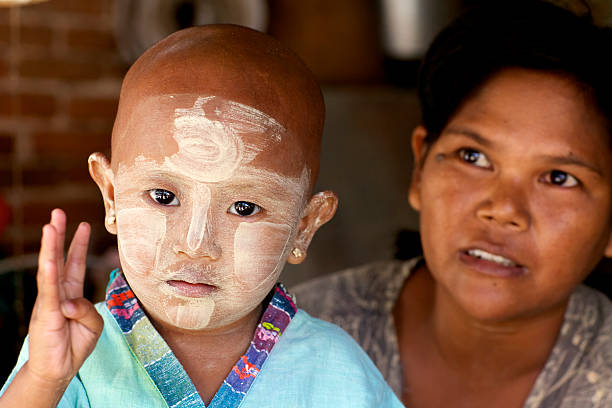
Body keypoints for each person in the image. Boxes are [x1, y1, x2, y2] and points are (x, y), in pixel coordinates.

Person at [0, 25, 402, 407]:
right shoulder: (70, 356)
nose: (195, 244)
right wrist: (43, 381)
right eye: (163, 196)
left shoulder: (335, 368)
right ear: (111, 197)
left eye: (244, 208)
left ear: (304, 226)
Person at [294, 1, 612, 407]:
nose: (503, 209)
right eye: (473, 157)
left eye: (558, 178)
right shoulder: (292, 337)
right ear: (420, 168)